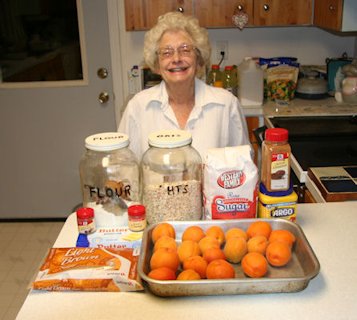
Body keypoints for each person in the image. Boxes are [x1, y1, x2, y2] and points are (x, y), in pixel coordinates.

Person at [118, 12, 250, 160]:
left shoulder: (226, 105)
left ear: (198, 58)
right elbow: (124, 169)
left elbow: (243, 165)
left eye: (185, 50)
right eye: (167, 53)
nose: (176, 59)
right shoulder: (138, 107)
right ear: (156, 63)